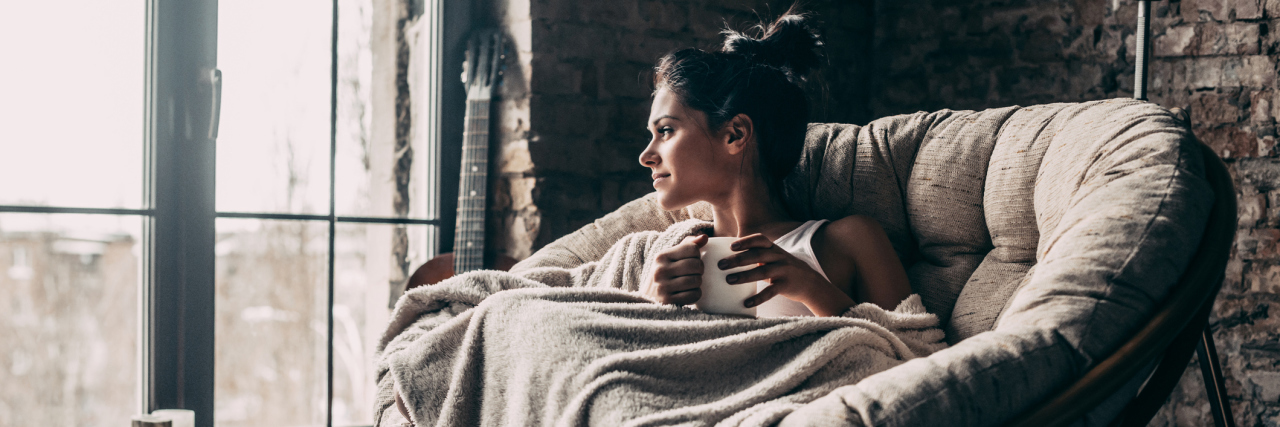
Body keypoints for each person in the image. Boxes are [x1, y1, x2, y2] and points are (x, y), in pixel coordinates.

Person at [640, 7, 912, 317]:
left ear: (735, 134)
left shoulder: (847, 242)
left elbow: (920, 351)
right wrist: (648, 304)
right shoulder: (669, 260)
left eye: (665, 131)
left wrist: (813, 289)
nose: (645, 156)